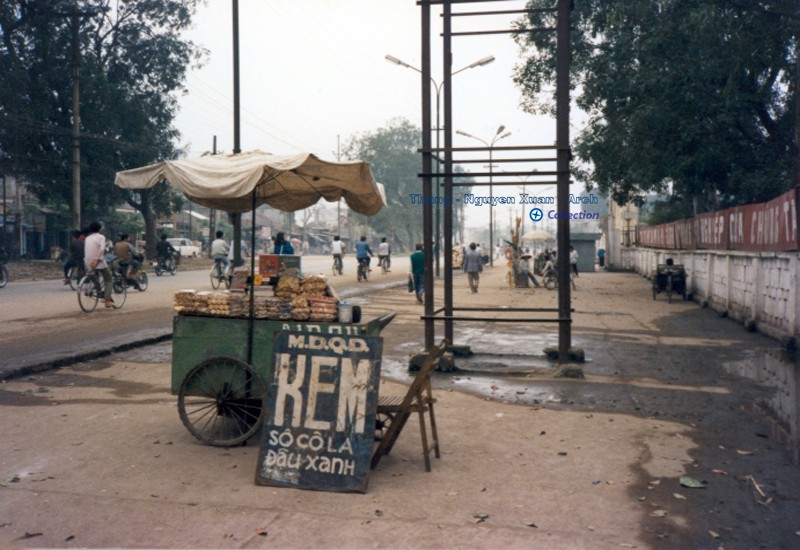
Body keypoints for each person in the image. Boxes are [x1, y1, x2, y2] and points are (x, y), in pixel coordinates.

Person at [83, 221, 114, 308]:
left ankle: (98, 290)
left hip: (87, 262)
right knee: (108, 279)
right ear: (100, 229)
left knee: (93, 276)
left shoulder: (87, 238)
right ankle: (107, 300)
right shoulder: (101, 237)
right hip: (97, 261)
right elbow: (101, 249)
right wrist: (97, 259)